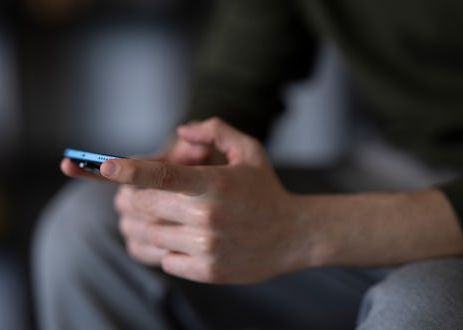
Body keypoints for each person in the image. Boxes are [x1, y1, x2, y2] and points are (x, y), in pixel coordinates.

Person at [33, 0, 463, 329]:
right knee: (87, 228)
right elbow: (237, 80)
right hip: (399, 161)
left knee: (426, 306)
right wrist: (189, 167)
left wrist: (302, 231)